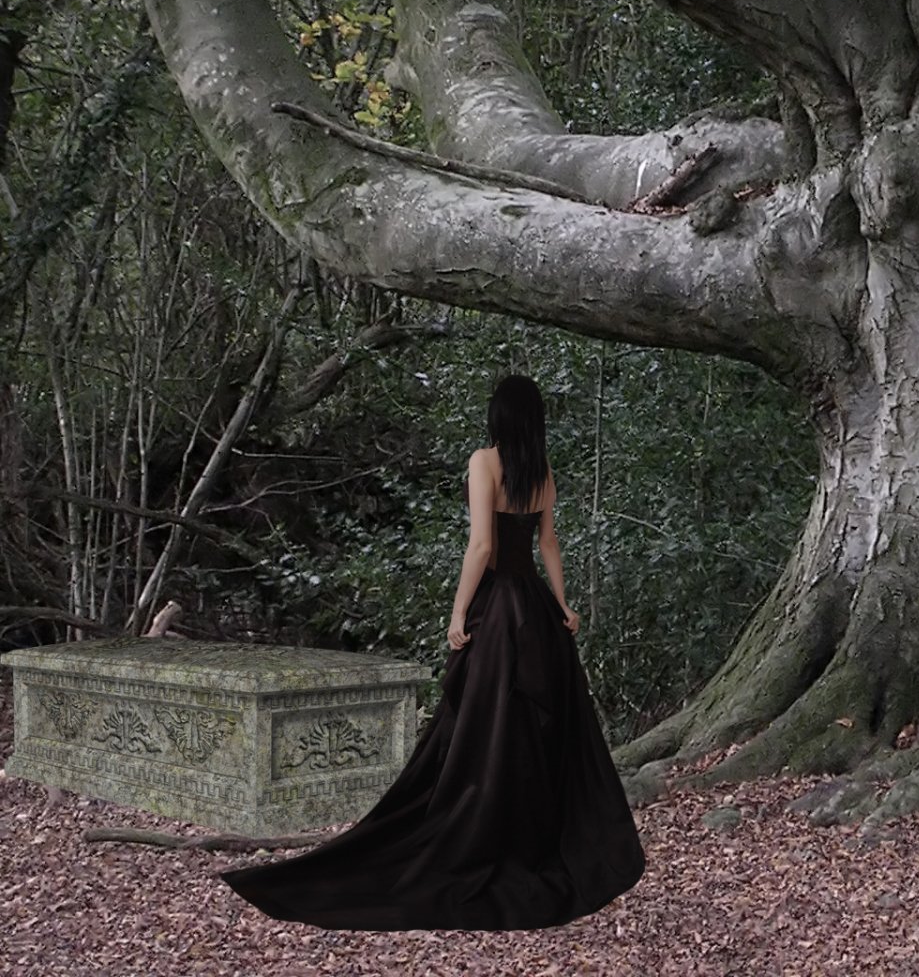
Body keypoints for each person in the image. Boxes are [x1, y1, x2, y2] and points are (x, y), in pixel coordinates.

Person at [221, 374, 646, 929]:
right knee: (527, 735)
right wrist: (564, 608)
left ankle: (479, 826)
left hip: (499, 612)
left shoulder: (484, 462)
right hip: (536, 615)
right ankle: (525, 835)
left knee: (485, 729)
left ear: (498, 418)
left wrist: (456, 612)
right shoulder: (541, 472)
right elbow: (547, 544)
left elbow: (483, 545)